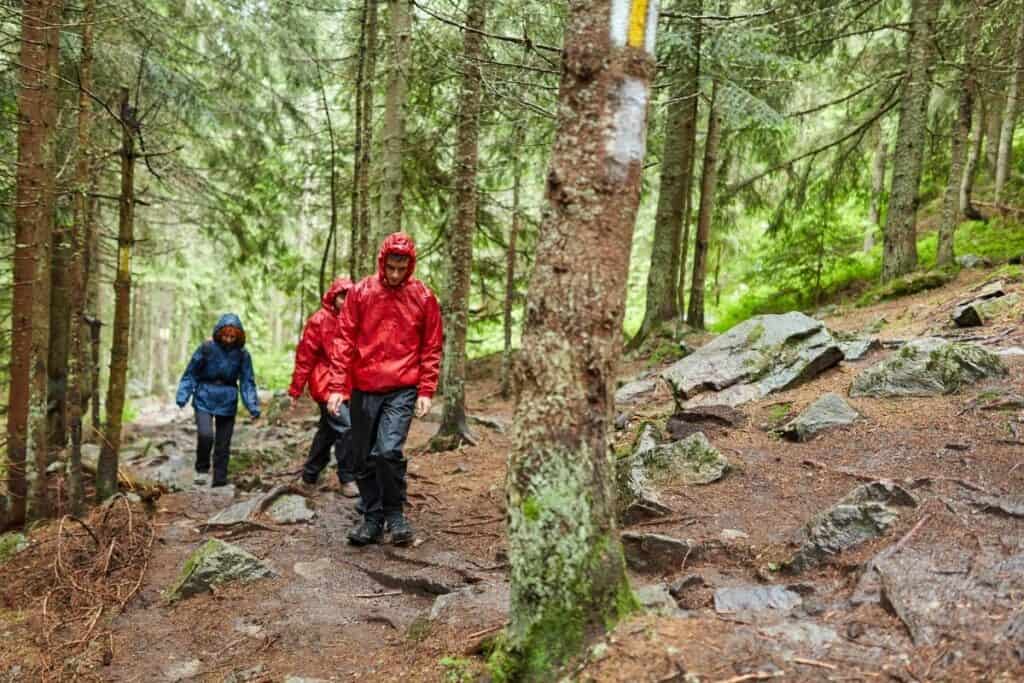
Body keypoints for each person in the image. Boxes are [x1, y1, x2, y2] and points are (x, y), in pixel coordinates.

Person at [327, 232, 443, 546]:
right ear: (382, 262)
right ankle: (372, 518)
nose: (394, 274)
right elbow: (344, 341)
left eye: (400, 268)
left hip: (402, 387)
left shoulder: (423, 297)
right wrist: (337, 386)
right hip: (365, 386)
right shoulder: (362, 292)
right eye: (390, 267)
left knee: (388, 451)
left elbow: (431, 346)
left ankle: (395, 515)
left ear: (410, 265)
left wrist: (425, 390)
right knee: (363, 456)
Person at [288, 276, 359, 497]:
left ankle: (309, 474)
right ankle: (347, 478)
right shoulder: (319, 320)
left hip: (347, 383)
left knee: (328, 431)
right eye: (341, 296)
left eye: (349, 296)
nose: (345, 301)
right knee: (345, 427)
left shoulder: (357, 319)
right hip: (325, 383)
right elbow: (305, 356)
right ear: (333, 296)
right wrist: (296, 389)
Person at [176, 313, 261, 487]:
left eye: (232, 336)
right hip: (204, 396)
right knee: (205, 435)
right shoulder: (206, 348)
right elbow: (191, 373)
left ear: (238, 335)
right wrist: (183, 395)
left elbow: (247, 381)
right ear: (219, 332)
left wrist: (252, 406)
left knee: (224, 442)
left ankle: (220, 479)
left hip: (228, 399)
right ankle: (201, 469)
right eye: (226, 335)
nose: (229, 339)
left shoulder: (242, 355)